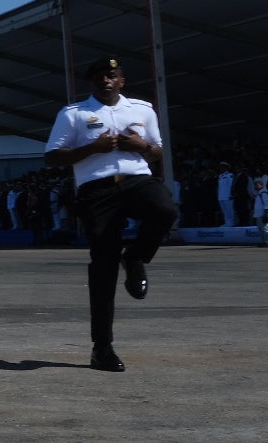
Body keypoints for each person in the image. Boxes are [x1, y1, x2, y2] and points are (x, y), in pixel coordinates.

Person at [43, 56, 180, 372]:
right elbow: (52, 157)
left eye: (111, 75)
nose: (105, 80)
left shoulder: (142, 110)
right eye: (99, 77)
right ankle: (102, 348)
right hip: (97, 189)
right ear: (91, 83)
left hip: (136, 179)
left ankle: (135, 257)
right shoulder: (73, 114)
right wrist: (93, 148)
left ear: (122, 80)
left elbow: (157, 151)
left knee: (165, 210)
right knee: (104, 266)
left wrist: (140, 146)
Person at [216, 161, 238, 226]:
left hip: (228, 195)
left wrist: (231, 194)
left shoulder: (230, 175)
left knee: (229, 210)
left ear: (225, 168)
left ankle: (231, 222)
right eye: (219, 167)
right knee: (224, 210)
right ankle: (227, 222)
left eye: (221, 167)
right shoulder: (220, 176)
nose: (220, 168)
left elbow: (232, 185)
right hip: (221, 196)